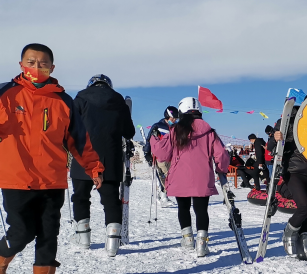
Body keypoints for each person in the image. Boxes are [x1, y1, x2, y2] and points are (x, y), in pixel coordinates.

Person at [0, 44, 104, 274]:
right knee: (21, 231)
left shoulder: (63, 101)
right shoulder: (5, 94)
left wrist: (93, 167)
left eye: (43, 63)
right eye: (31, 62)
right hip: (15, 178)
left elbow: (79, 140)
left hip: (52, 180)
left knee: (48, 233)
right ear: (21, 64)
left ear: (52, 68)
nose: (37, 67)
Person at [149, 97, 229, 257]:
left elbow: (162, 154)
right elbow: (221, 154)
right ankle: (202, 244)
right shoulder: (210, 131)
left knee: (183, 208)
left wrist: (153, 138)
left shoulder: (176, 130)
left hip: (180, 176)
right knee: (201, 210)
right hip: (203, 177)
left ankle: (187, 240)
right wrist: (221, 170)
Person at [70, 74, 136, 256]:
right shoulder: (118, 101)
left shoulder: (80, 98)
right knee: (110, 200)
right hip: (111, 157)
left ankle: (83, 238)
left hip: (83, 155)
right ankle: (112, 243)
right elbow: (129, 132)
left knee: (81, 197)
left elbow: (70, 126)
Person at [270, 101, 307, 261]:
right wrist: (275, 138)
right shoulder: (285, 121)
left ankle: (305, 247)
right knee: (304, 207)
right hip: (293, 171)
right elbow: (270, 146)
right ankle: (288, 234)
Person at [144, 106, 179, 205]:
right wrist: (147, 153)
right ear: (167, 116)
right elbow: (149, 140)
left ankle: (162, 195)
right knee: (166, 177)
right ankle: (163, 197)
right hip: (160, 157)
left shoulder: (176, 127)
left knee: (172, 177)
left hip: (172, 157)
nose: (175, 120)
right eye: (173, 118)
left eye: (176, 119)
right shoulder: (158, 126)